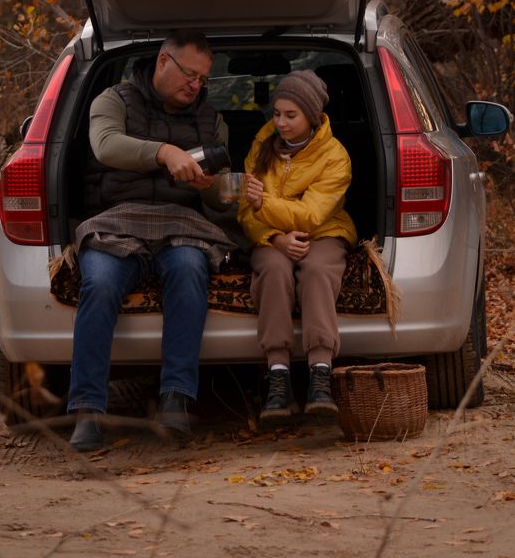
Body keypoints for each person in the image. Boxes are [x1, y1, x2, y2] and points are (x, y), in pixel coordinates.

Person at [67, 30, 236, 451]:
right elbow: (106, 146)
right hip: (116, 219)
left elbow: (218, 199)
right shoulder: (113, 100)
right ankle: (88, 411)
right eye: (189, 75)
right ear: (163, 61)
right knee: (99, 283)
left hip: (181, 223)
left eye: (203, 79)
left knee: (190, 270)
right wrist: (165, 152)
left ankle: (176, 399)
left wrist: (215, 187)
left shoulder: (211, 121)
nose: (195, 85)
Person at [237, 69, 357, 422]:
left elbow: (311, 215)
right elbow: (244, 211)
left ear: (312, 116)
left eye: (291, 115)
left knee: (317, 269)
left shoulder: (335, 156)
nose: (281, 123)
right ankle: (278, 377)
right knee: (274, 269)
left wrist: (263, 204)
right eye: (277, 114)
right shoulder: (262, 145)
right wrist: (275, 239)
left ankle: (321, 374)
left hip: (323, 232)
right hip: (270, 235)